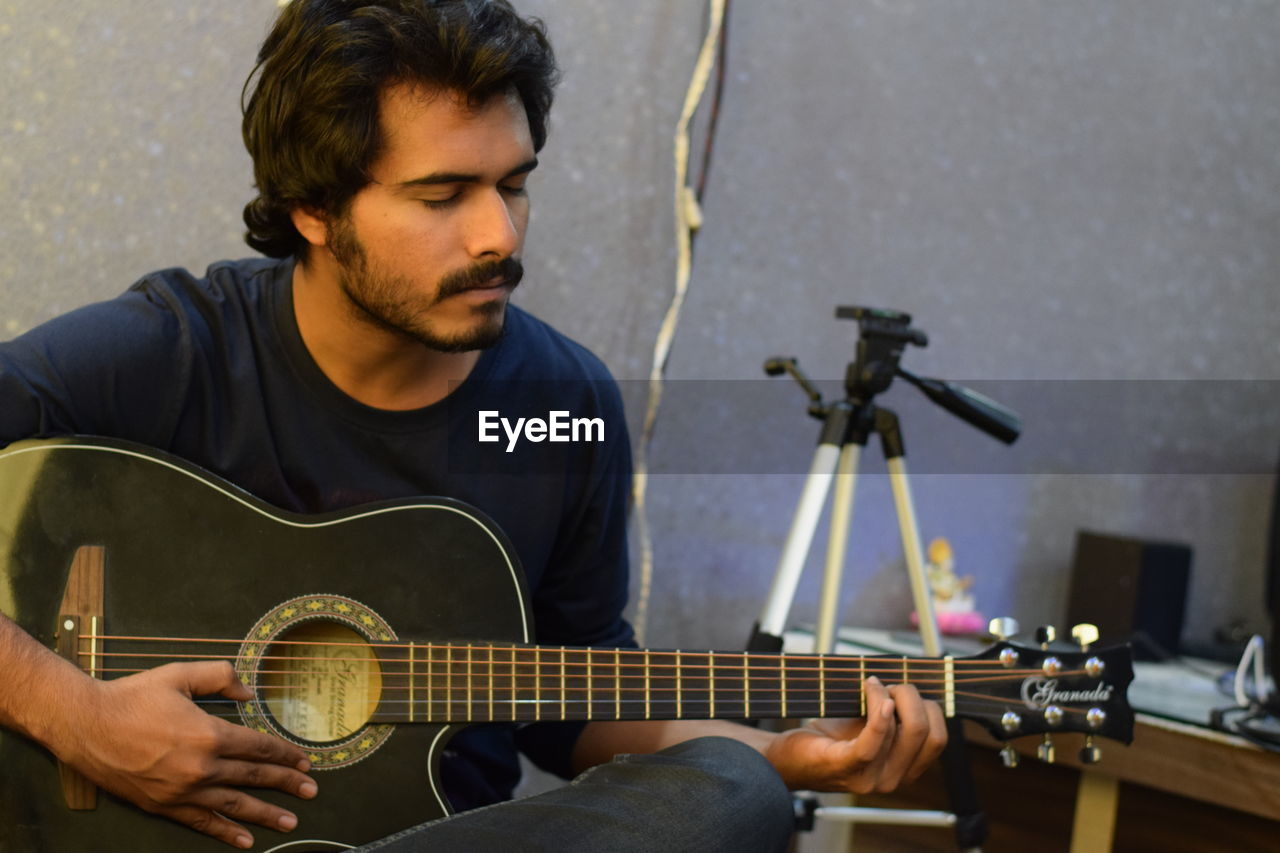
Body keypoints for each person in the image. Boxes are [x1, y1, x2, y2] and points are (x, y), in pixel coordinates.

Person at [0, 1, 947, 850]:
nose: (499, 233)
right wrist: (73, 712)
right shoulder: (175, 351)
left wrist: (782, 748)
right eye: (442, 195)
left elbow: (572, 703)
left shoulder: (561, 406)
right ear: (315, 208)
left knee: (735, 789)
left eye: (515, 183)